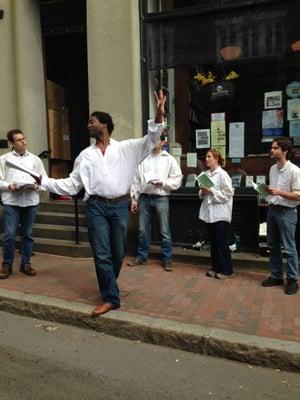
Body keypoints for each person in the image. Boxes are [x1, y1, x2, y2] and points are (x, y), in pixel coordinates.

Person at [39, 91, 166, 316]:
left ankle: (109, 284)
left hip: (119, 206)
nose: (88, 124)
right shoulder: (85, 156)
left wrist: (158, 113)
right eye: (88, 122)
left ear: (104, 124)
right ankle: (111, 297)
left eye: (92, 121)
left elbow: (152, 138)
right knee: (102, 254)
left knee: (118, 253)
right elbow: (72, 185)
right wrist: (45, 182)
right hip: (95, 207)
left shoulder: (126, 148)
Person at [127, 133, 182, 271]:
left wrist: (162, 183)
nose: (153, 142)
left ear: (163, 143)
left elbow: (177, 180)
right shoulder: (143, 158)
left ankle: (167, 259)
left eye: (157, 140)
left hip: (161, 197)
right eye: (152, 139)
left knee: (164, 230)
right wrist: (134, 200)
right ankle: (141, 257)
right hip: (145, 197)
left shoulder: (169, 159)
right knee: (142, 230)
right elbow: (136, 180)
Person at [0, 129, 47, 279]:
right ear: (12, 143)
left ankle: (26, 263)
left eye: (24, 138)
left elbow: (44, 179)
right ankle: (7, 264)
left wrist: (37, 186)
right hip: (11, 202)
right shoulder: (4, 159)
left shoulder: (35, 160)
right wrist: (9, 186)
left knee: (28, 234)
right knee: (9, 235)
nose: (23, 142)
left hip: (30, 201)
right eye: (19, 140)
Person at [261, 137, 300, 295]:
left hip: (287, 212)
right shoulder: (272, 169)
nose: (272, 150)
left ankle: (292, 279)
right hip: (272, 209)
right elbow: (273, 191)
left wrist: (279, 192)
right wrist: (267, 193)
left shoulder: (295, 171)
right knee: (273, 245)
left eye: (275, 148)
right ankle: (276, 275)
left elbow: (298, 196)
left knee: (290, 248)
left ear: (285, 150)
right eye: (272, 147)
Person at [198, 149, 234, 279]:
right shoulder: (205, 174)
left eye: (209, 157)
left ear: (216, 159)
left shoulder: (223, 175)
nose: (206, 159)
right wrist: (203, 191)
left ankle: (227, 270)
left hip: (220, 214)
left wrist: (211, 191)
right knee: (213, 242)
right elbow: (201, 195)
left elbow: (228, 194)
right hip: (209, 214)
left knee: (221, 242)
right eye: (206, 157)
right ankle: (215, 267)